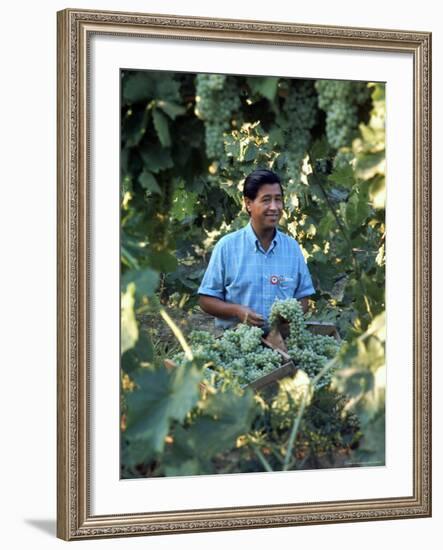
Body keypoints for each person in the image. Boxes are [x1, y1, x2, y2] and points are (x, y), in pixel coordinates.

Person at [198, 168, 315, 331]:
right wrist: (237, 311)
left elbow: (303, 298)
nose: (274, 207)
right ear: (248, 203)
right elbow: (206, 300)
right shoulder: (227, 247)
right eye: (266, 200)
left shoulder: (292, 248)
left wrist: (289, 316)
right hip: (237, 347)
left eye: (278, 199)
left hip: (282, 346)